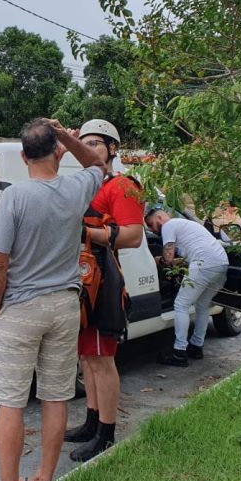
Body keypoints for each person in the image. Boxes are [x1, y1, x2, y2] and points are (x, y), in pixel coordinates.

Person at [0, 118, 107, 481]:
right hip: (65, 306)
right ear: (57, 152)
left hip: (21, 308)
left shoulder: (15, 197)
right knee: (55, 396)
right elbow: (98, 165)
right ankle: (45, 477)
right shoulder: (74, 188)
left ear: (22, 155)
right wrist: (68, 136)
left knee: (12, 402)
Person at [63, 119, 144, 463]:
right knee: (87, 356)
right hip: (82, 274)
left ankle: (106, 433)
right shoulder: (84, 184)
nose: (90, 148)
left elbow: (133, 235)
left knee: (101, 358)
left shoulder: (123, 186)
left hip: (104, 276)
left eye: (96, 143)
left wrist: (83, 231)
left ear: (112, 149)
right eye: (85, 142)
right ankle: (92, 421)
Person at [145, 209, 230, 367]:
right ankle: (196, 347)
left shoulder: (169, 225)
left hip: (204, 263)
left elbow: (168, 258)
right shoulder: (185, 225)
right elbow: (183, 260)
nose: (151, 229)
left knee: (180, 305)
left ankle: (179, 352)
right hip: (221, 263)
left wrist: (159, 260)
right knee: (202, 305)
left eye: (151, 224)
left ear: (160, 217)